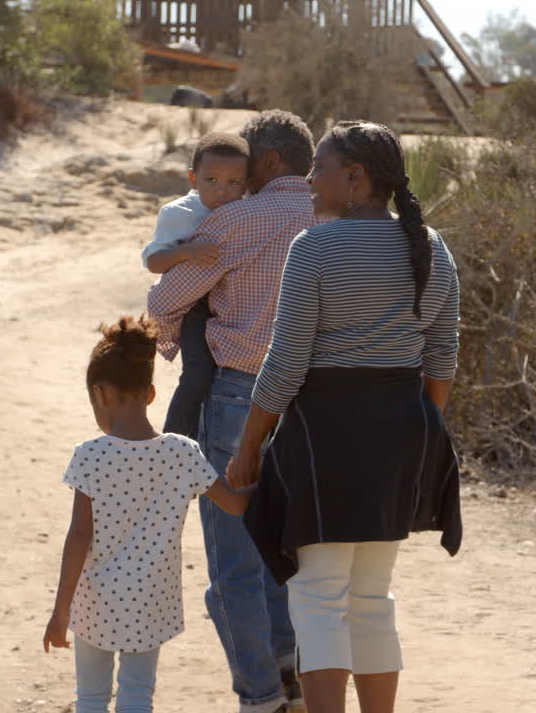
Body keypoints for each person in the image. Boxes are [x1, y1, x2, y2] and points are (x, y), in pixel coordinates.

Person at [226, 121, 463, 713]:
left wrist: (249, 444)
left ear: (355, 178)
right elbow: (442, 358)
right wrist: (421, 437)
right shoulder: (432, 248)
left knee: (317, 598)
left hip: (325, 434)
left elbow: (286, 363)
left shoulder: (315, 248)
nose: (310, 178)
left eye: (321, 167)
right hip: (402, 430)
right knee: (372, 599)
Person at [146, 109, 320, 713]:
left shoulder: (239, 219)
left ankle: (261, 696)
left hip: (239, 397)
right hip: (312, 405)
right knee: (286, 547)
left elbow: (163, 301)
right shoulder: (334, 215)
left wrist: (184, 338)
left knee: (233, 560)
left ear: (268, 161)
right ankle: (291, 670)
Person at [41, 315, 250, 713]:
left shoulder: (90, 456)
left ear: (99, 393)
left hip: (95, 601)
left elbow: (79, 537)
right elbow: (236, 504)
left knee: (91, 697)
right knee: (138, 694)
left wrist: (60, 610)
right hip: (150, 602)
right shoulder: (182, 452)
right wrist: (266, 477)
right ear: (151, 394)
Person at [141, 132, 251, 440]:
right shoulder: (178, 213)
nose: (222, 190)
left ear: (247, 185)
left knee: (225, 375)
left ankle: (204, 438)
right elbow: (153, 261)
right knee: (198, 373)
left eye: (233, 183)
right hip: (195, 307)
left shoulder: (246, 211)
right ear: (193, 178)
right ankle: (173, 440)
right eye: (211, 180)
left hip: (234, 301)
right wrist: (186, 252)